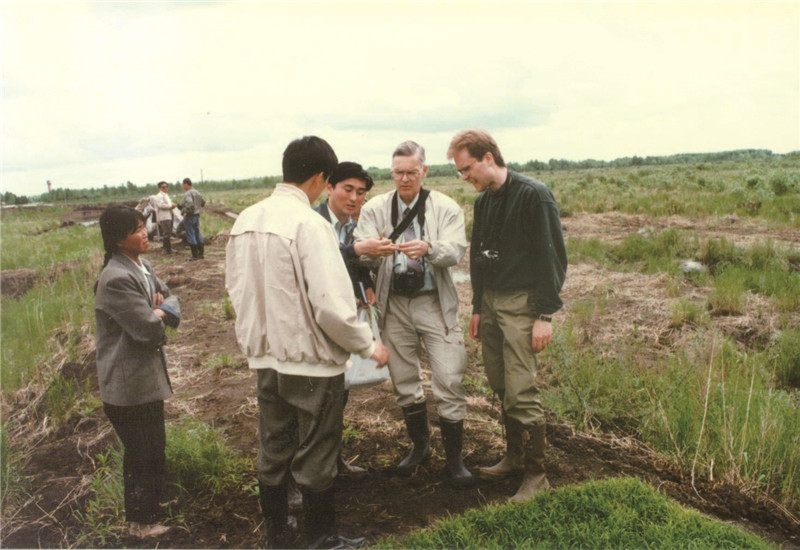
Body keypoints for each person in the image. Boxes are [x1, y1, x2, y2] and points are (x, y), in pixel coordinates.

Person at [225, 136, 390, 549]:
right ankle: (321, 537)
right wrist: (367, 344)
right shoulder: (310, 225)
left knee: (274, 443)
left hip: (267, 357)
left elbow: (237, 290)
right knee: (318, 447)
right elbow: (331, 305)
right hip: (311, 362)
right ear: (320, 178)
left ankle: (278, 533)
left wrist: (254, 341)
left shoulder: (246, 218)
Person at [447, 129, 567, 503]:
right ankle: (515, 457)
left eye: (466, 169)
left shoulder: (534, 196)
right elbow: (479, 258)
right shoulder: (484, 202)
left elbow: (552, 258)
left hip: (522, 305)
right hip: (492, 304)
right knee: (500, 383)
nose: (464, 177)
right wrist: (477, 307)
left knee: (520, 391)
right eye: (459, 172)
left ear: (488, 158)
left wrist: (544, 314)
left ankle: (536, 475)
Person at [353, 140, 473, 488]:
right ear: (391, 173)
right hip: (394, 304)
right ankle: (420, 447)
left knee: (449, 377)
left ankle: (455, 460)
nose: (404, 179)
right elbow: (361, 251)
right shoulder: (375, 208)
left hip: (433, 302)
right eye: (398, 173)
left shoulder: (445, 207)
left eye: (411, 172)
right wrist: (375, 251)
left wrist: (429, 248)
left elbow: (456, 250)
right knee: (404, 379)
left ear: (424, 171)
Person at [94, 205, 181, 538]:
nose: (146, 233)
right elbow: (147, 329)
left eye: (144, 226)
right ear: (119, 240)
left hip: (144, 380)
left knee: (154, 445)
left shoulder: (143, 267)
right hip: (127, 386)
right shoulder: (116, 278)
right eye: (137, 229)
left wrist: (160, 308)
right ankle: (140, 523)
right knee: (141, 452)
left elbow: (171, 299)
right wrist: (157, 312)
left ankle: (152, 505)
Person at [180, 177, 205, 260]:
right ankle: (201, 253)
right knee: (197, 233)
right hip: (197, 215)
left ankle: (194, 255)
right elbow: (203, 202)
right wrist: (197, 208)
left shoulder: (188, 193)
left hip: (190, 216)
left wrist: (186, 212)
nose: (183, 187)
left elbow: (190, 204)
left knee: (190, 234)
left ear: (186, 184)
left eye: (183, 185)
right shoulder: (197, 192)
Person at [153, 181, 177, 254]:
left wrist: (171, 205)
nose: (165, 188)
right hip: (164, 217)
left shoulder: (166, 195)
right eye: (163, 187)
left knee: (168, 233)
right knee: (166, 233)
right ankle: (165, 249)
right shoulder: (159, 196)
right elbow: (161, 205)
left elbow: (167, 204)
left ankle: (168, 249)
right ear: (160, 188)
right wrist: (170, 206)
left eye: (166, 187)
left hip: (169, 215)